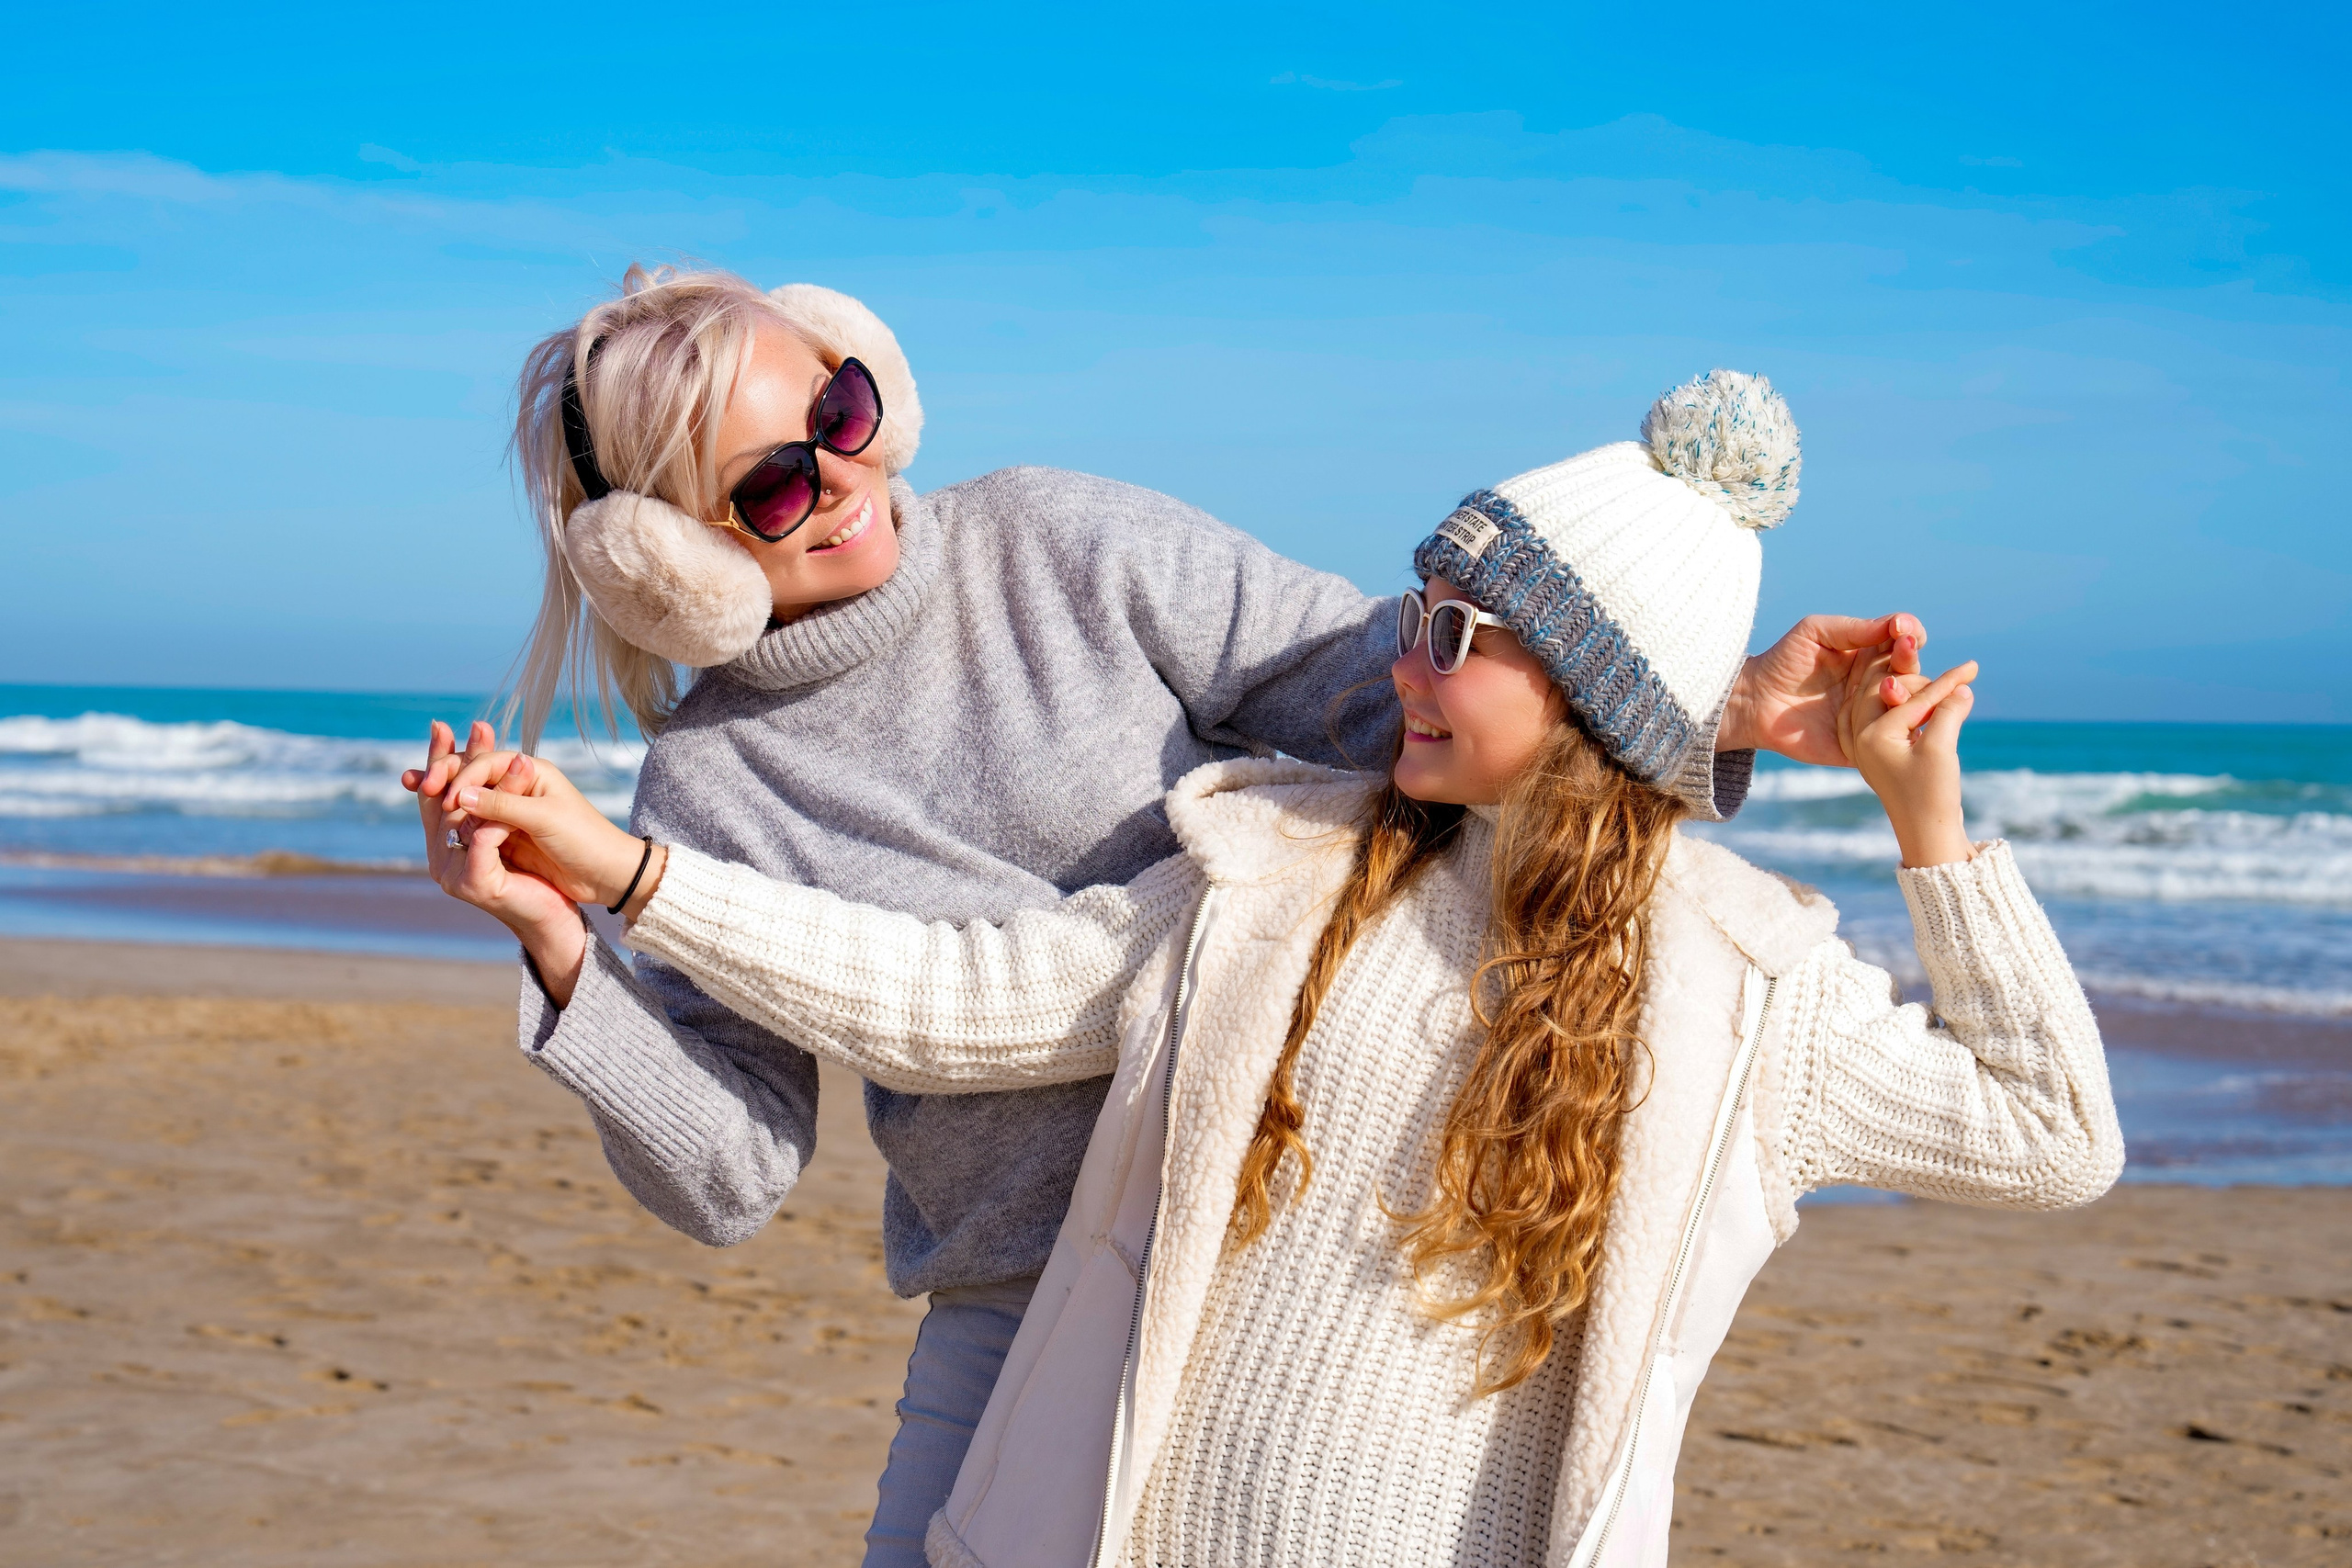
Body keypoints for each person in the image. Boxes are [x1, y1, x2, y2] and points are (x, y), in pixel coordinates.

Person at [410, 267, 1938, 1566]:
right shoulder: (707, 791)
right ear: (662, 553)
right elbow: (732, 1176)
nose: (843, 482)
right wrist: (564, 951)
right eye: (772, 485)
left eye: (844, 413)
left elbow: (1393, 708)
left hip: (1278, 1251)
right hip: (1012, 1302)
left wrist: (1714, 706)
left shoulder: (1062, 539)